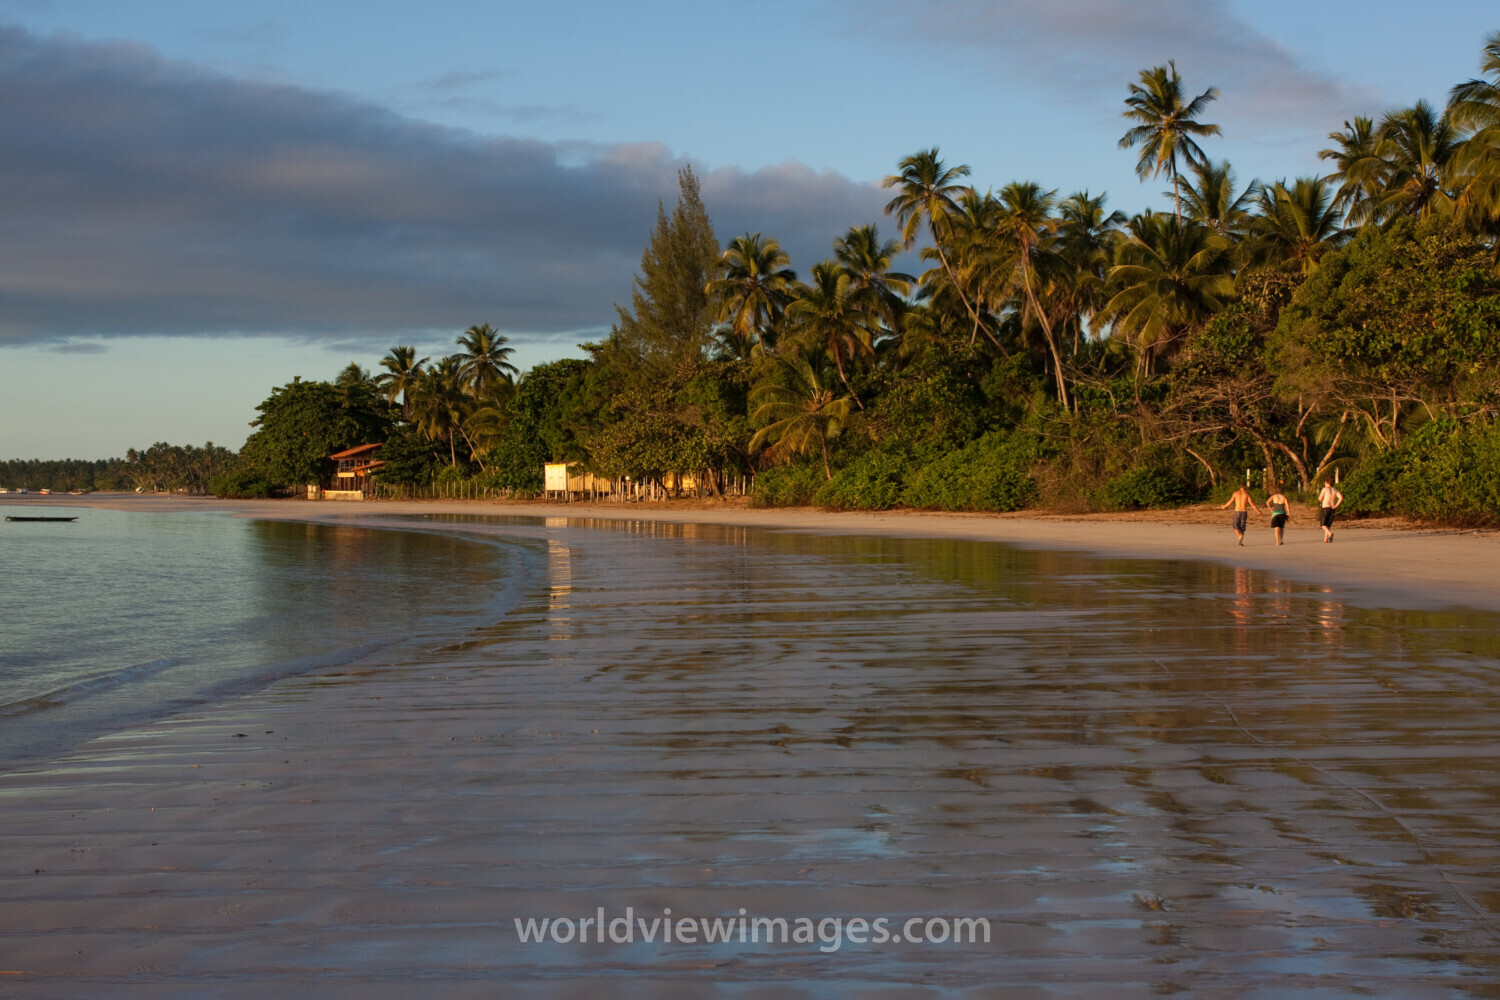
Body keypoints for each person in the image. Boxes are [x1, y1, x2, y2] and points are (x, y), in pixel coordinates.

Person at [1318, 478, 1344, 543]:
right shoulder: (1335, 490)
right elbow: (1341, 497)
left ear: (1326, 482)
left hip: (1326, 507)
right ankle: (1325, 539)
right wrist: (1336, 505)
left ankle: (1329, 533)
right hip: (1332, 508)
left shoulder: (1324, 489)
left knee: (1323, 524)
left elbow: (1320, 498)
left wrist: (1321, 499)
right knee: (1328, 524)